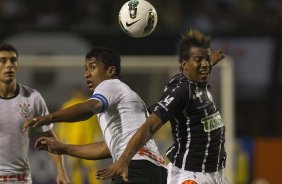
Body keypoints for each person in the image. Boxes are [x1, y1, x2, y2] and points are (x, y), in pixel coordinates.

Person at [95, 29, 229, 184]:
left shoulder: (198, 82)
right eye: (199, 59)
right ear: (184, 64)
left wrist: (207, 60)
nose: (205, 64)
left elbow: (200, 66)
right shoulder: (181, 91)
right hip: (192, 176)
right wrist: (124, 160)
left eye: (206, 59)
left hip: (216, 174)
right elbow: (150, 127)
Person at [23, 46, 168, 184]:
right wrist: (64, 148)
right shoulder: (126, 96)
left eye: (93, 67)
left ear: (111, 71)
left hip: (134, 168)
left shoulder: (110, 85)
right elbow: (107, 148)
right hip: (157, 170)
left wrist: (50, 117)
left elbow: (89, 108)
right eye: (86, 69)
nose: (86, 74)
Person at [0, 43, 70, 184]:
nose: (9, 65)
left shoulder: (33, 97)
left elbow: (50, 138)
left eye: (13, 60)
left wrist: (61, 171)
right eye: (3, 60)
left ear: (18, 64)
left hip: (20, 179)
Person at [55, 85, 103, 184]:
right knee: (75, 167)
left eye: (79, 93)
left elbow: (96, 122)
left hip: (89, 140)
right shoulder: (68, 105)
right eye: (76, 93)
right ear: (73, 94)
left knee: (91, 167)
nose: (78, 95)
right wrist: (61, 137)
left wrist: (98, 135)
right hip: (73, 141)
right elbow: (62, 123)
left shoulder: (89, 104)